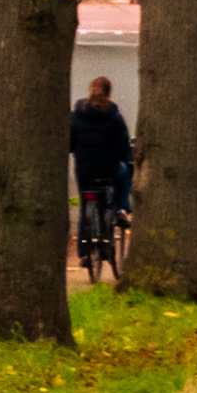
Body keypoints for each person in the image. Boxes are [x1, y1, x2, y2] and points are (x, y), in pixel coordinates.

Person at [70, 72, 137, 258]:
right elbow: (123, 145)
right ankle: (122, 210)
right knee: (123, 175)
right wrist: (125, 157)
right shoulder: (114, 117)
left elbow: (70, 142)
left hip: (84, 170)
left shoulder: (77, 115)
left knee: (86, 207)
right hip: (107, 169)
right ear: (109, 93)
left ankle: (83, 253)